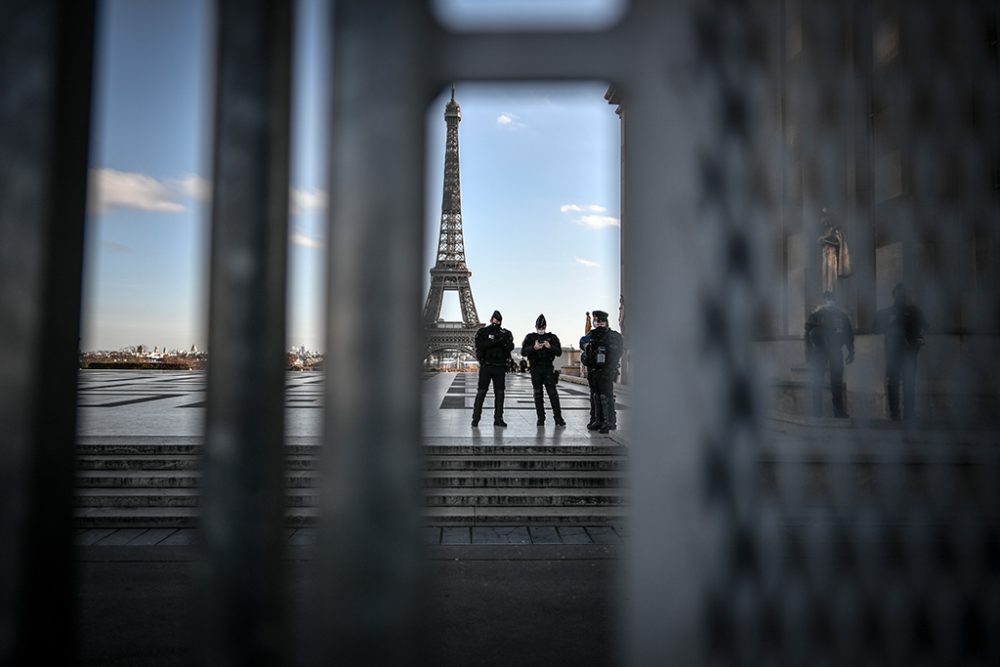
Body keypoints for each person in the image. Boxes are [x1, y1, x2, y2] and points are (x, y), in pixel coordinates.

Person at [873, 283, 928, 422]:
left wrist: (918, 338)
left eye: (902, 295)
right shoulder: (887, 313)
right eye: (899, 294)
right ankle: (895, 414)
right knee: (896, 383)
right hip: (894, 353)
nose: (901, 297)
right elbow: (875, 328)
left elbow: (925, 327)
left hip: (908, 352)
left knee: (906, 383)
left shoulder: (913, 312)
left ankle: (905, 413)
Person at [804, 291, 855, 418]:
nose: (830, 301)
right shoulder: (816, 315)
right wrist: (808, 352)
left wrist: (851, 350)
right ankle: (817, 412)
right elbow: (808, 334)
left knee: (837, 381)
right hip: (820, 351)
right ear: (824, 299)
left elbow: (848, 333)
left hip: (835, 350)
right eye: (828, 298)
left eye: (832, 298)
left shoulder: (841, 316)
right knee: (817, 381)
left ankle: (839, 411)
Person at [521, 314, 566, 427]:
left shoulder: (552, 337)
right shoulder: (530, 338)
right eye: (539, 328)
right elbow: (523, 352)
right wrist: (534, 348)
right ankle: (541, 418)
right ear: (536, 327)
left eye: (542, 327)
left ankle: (558, 418)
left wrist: (550, 347)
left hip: (547, 368)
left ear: (545, 326)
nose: (541, 330)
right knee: (538, 394)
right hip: (535, 369)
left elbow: (559, 352)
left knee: (553, 394)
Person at [472, 310, 514, 427]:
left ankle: (498, 418)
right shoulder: (483, 332)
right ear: (491, 319)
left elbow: (510, 347)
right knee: (481, 392)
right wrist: (495, 342)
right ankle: (476, 418)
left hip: (499, 367)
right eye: (495, 320)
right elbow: (479, 346)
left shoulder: (505, 333)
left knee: (500, 394)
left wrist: (500, 341)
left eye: (499, 320)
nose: (497, 322)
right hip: (487, 366)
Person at [584, 310, 623, 434]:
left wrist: (608, 369)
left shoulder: (613, 336)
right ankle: (597, 420)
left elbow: (616, 354)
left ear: (605, 322)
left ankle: (608, 422)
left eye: (600, 321)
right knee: (595, 396)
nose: (598, 323)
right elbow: (587, 351)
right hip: (594, 371)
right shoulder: (593, 335)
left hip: (606, 371)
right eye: (596, 321)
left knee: (605, 397)